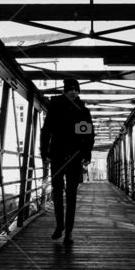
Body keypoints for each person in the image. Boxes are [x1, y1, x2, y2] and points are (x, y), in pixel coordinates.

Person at [40, 78, 94, 245]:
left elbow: (87, 135)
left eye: (75, 89)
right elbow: (46, 131)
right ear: (64, 91)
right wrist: (44, 153)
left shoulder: (82, 111)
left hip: (74, 156)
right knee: (57, 191)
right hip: (57, 155)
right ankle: (59, 225)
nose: (73, 92)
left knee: (71, 194)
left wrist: (87, 154)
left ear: (78, 91)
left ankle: (68, 232)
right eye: (69, 89)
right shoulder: (55, 108)